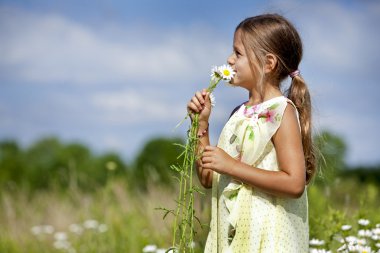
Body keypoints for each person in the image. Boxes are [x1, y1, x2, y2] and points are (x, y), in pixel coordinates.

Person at [187, 13, 316, 253]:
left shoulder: (281, 112)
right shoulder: (238, 113)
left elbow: (294, 183)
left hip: (267, 240)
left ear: (268, 63)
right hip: (234, 239)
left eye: (238, 53)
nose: (229, 59)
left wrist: (231, 167)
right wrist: (201, 125)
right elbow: (207, 179)